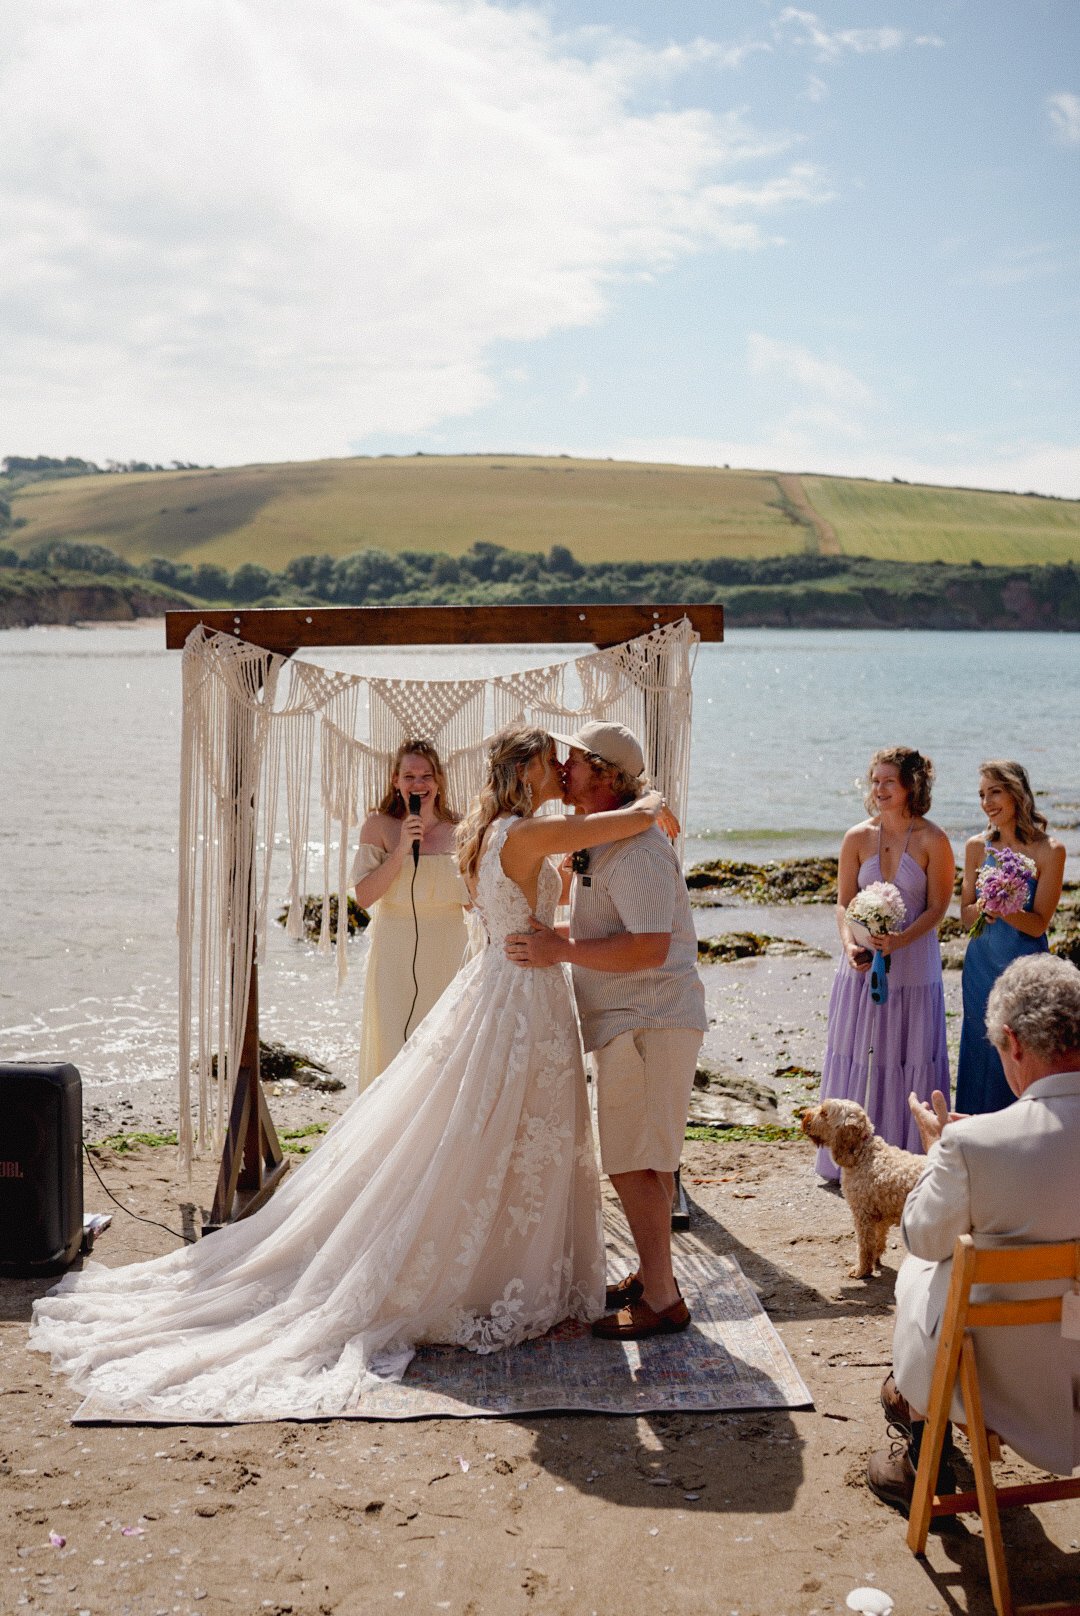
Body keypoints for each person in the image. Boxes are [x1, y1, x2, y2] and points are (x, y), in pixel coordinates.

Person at [30, 726, 669, 1421]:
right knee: (509, 1131)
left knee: (496, 1134)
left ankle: (506, 1266)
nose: (566, 769)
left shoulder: (492, 831)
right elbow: (630, 821)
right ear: (529, 771)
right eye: (557, 761)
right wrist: (654, 806)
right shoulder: (519, 835)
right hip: (520, 995)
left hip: (505, 986)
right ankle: (499, 1274)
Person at [505, 720, 707, 1342]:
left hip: (649, 1018)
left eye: (578, 760)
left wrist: (558, 952)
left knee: (634, 1161)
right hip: (634, 1020)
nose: (564, 766)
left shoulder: (641, 850)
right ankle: (654, 1277)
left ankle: (663, 1298)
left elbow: (649, 948)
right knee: (641, 1156)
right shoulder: (609, 836)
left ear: (609, 776)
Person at [866, 953, 1080, 1511]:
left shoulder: (974, 1144)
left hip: (997, 1376)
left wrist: (941, 1157)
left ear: (1013, 1042)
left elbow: (920, 1237)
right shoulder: (980, 1142)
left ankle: (920, 1447)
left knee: (925, 1266)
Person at [814, 746, 954, 1181]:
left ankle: (909, 1154)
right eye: (874, 781)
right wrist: (848, 946)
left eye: (888, 782)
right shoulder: (856, 837)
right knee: (857, 1052)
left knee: (909, 1055)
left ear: (912, 785)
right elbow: (842, 903)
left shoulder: (934, 839)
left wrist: (900, 941)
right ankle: (844, 1156)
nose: (878, 789)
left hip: (912, 967)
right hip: (859, 966)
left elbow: (938, 907)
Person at [352, 739, 469, 1091]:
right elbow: (364, 896)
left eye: (426, 776)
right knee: (394, 1041)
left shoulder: (462, 828)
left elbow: (475, 900)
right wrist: (402, 848)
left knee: (447, 1046)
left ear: (439, 781)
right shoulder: (379, 826)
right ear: (396, 781)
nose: (418, 784)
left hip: (450, 951)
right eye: (409, 776)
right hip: (394, 953)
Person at [955, 760, 1066, 1114]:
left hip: (1027, 970)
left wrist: (1005, 905)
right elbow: (965, 915)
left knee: (1026, 1053)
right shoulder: (976, 847)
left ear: (1016, 793)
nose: (987, 802)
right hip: (980, 966)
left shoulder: (1050, 850)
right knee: (979, 1048)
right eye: (982, 795)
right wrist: (984, 908)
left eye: (995, 792)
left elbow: (1038, 924)